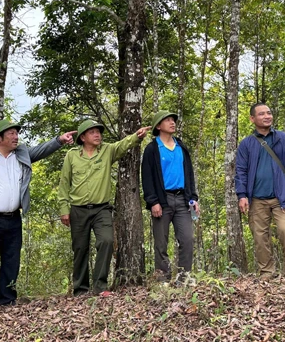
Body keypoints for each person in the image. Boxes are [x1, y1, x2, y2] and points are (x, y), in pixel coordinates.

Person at [0, 119, 75, 311]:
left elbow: (41, 150)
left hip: (13, 219)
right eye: (11, 133)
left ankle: (7, 301)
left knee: (12, 261)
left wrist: (59, 140)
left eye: (16, 133)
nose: (16, 136)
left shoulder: (22, 154)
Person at [58, 119, 150, 297]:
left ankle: (100, 286)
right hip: (78, 209)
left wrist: (137, 136)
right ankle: (80, 290)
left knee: (106, 241)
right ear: (83, 137)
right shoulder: (72, 155)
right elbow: (64, 183)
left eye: (98, 132)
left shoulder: (107, 151)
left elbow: (122, 145)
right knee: (80, 248)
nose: (97, 135)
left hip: (102, 209)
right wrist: (64, 209)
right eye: (92, 132)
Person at [235, 103, 285, 276]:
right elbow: (240, 171)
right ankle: (266, 273)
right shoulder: (247, 144)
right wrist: (242, 195)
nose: (267, 116)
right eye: (262, 114)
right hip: (257, 198)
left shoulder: (283, 138)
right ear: (252, 119)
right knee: (260, 236)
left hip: (282, 196)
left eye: (269, 113)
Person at [141, 111, 199, 285]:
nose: (172, 123)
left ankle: (184, 277)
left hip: (183, 199)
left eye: (173, 120)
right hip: (162, 200)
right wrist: (153, 201)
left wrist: (193, 198)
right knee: (161, 242)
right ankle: (162, 279)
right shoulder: (152, 149)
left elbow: (189, 174)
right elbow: (147, 177)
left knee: (187, 239)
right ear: (158, 126)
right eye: (167, 120)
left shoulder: (181, 147)